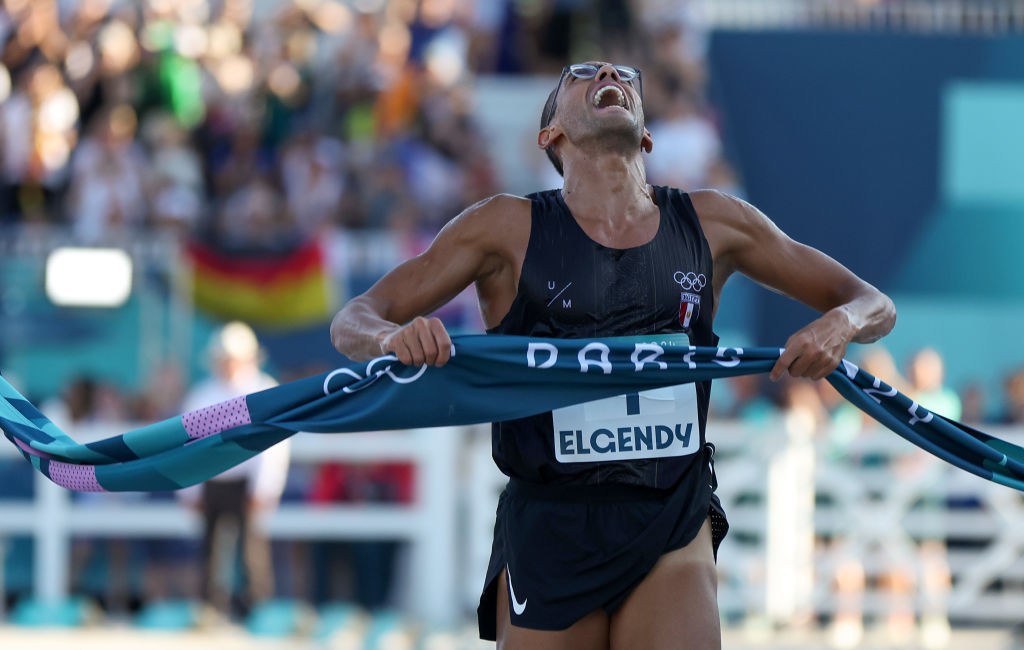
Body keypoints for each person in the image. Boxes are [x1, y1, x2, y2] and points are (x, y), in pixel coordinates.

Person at [329, 62, 896, 649]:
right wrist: (391, 340)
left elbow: (871, 302)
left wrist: (840, 324)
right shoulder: (504, 227)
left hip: (671, 512)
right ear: (550, 134)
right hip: (552, 522)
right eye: (579, 74)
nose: (607, 71)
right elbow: (354, 320)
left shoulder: (714, 221)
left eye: (627, 74)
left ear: (646, 135)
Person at [179, 321, 291, 619]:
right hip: (212, 480)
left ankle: (257, 609)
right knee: (210, 550)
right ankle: (210, 609)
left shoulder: (263, 389)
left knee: (251, 550)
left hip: (247, 481)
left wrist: (264, 489)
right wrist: (190, 489)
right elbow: (189, 445)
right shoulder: (202, 394)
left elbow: (274, 448)